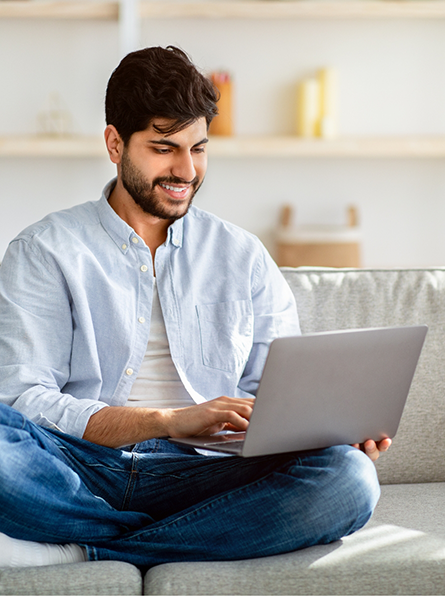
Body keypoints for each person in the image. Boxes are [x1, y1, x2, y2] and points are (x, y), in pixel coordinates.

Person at [0, 46, 390, 569]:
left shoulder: (243, 256)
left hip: (208, 473)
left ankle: (91, 549)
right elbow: (24, 401)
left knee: (349, 478)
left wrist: (327, 429)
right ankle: (203, 534)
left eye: (198, 148)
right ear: (115, 144)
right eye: (164, 148)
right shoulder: (46, 249)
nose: (186, 169)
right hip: (80, 468)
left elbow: (275, 397)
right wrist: (167, 421)